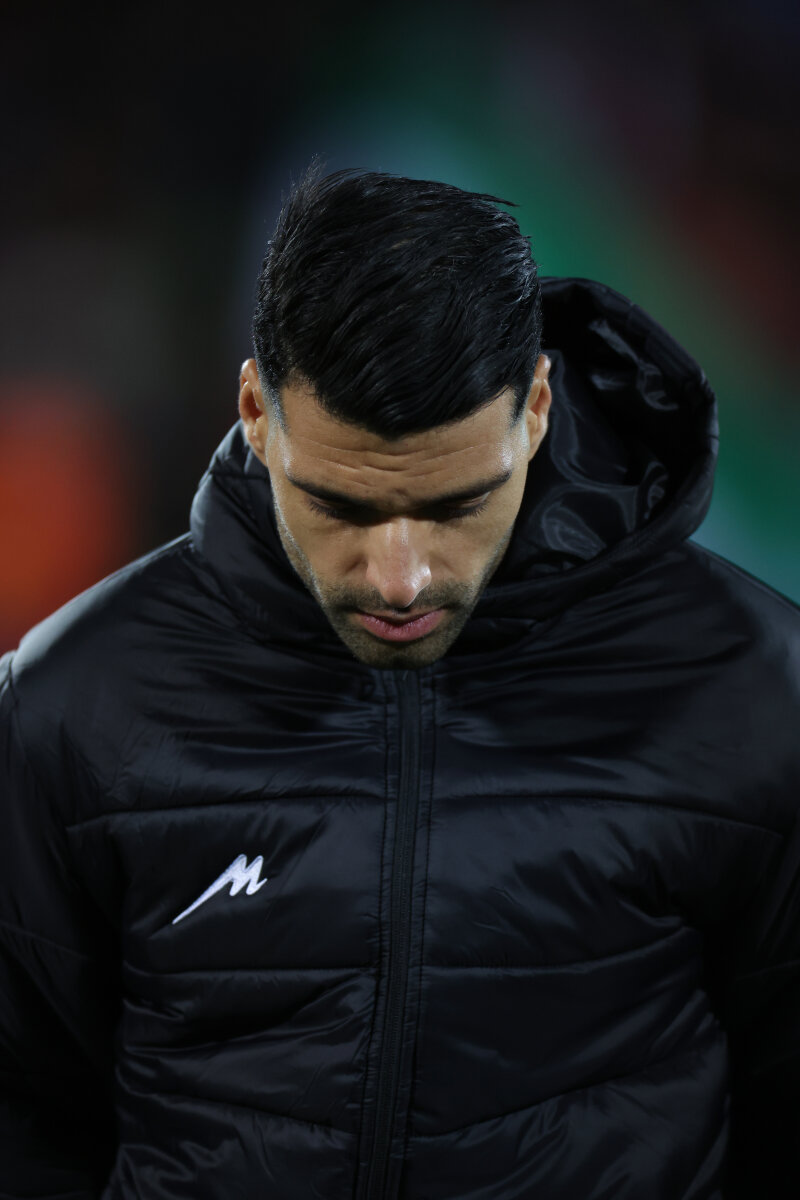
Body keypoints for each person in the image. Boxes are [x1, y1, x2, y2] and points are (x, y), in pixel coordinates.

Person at [1, 159, 798, 1200]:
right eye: (340, 506)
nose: (400, 579)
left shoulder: (752, 688)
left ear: (537, 408)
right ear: (254, 411)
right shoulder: (71, 703)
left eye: (458, 504)